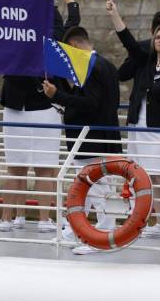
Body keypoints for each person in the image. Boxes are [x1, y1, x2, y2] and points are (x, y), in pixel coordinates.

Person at [0, 0, 80, 233]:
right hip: (28, 104)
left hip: (30, 104)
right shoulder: (25, 32)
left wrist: (64, 0)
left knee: (31, 166)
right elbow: (70, 26)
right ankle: (24, 218)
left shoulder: (26, 31)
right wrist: (67, 0)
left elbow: (69, 29)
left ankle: (27, 218)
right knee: (27, 166)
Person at [107, 0, 160, 243]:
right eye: (158, 37)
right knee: (149, 175)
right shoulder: (147, 63)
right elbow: (128, 42)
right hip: (140, 125)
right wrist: (115, 15)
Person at [41, 25, 121, 254]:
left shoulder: (92, 67)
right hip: (99, 135)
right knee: (85, 187)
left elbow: (90, 103)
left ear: (74, 46)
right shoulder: (106, 65)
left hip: (91, 137)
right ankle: (76, 228)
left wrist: (58, 95)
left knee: (96, 188)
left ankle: (103, 236)